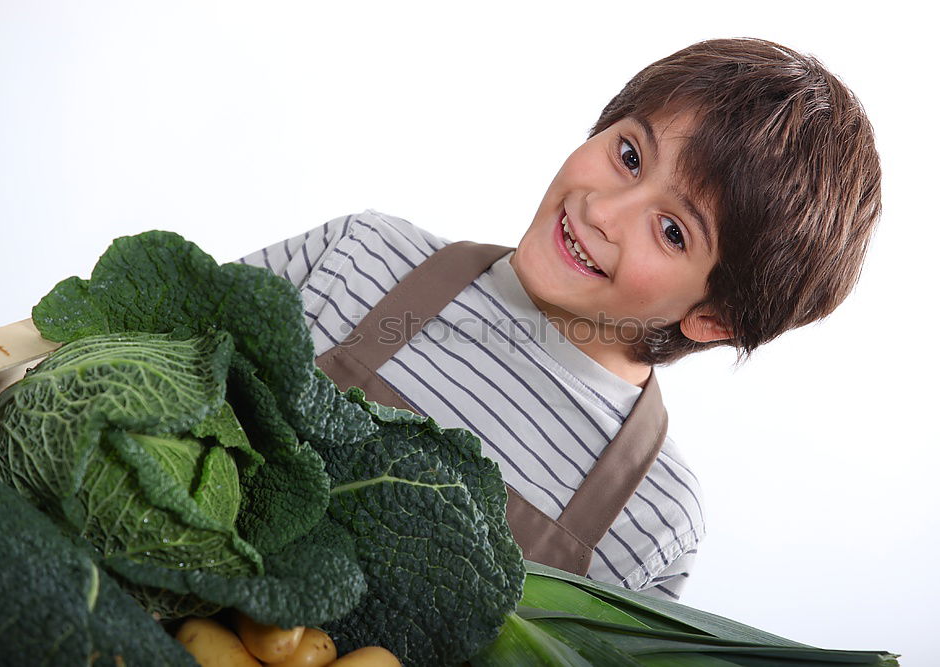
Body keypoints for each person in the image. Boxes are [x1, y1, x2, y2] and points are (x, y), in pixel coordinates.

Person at [239, 37, 882, 600]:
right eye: (630, 155)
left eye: (671, 231)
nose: (604, 210)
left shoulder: (652, 514)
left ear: (713, 318)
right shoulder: (363, 255)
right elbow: (149, 353)